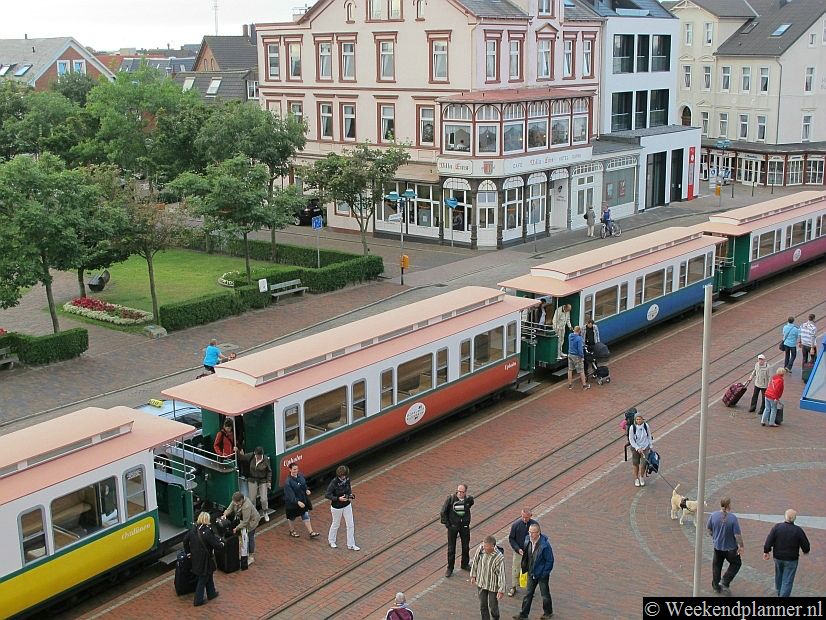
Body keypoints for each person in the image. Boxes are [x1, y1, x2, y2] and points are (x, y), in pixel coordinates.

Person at [763, 509, 811, 597]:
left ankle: (779, 591)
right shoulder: (798, 530)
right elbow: (806, 545)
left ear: (785, 516)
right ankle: (783, 595)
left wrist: (766, 551)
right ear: (795, 519)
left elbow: (769, 540)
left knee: (779, 575)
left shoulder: (777, 527)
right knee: (788, 579)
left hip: (778, 557)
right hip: (791, 559)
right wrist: (805, 551)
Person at [514, 523, 554, 620]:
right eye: (529, 532)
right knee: (528, 594)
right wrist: (525, 566)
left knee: (544, 594)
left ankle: (548, 613)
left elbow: (550, 560)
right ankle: (523, 614)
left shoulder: (545, 545)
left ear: (538, 533)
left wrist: (544, 573)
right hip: (531, 572)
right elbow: (527, 555)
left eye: (533, 532)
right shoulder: (528, 540)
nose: (530, 534)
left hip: (541, 574)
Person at [183, 511, 224, 607]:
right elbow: (215, 544)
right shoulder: (207, 532)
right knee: (203, 578)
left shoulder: (193, 530)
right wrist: (222, 544)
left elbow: (185, 541)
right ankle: (198, 600)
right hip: (205, 559)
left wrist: (188, 553)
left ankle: (211, 593)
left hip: (195, 558)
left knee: (208, 574)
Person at [707, 496, 744, 595]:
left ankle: (716, 586)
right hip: (731, 548)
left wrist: (714, 537)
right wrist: (741, 546)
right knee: (736, 563)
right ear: (729, 505)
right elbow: (737, 535)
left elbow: (709, 529)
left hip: (718, 546)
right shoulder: (732, 519)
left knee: (716, 566)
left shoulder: (713, 515)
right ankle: (725, 580)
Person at [440, 483, 475, 577]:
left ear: (465, 492)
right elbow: (443, 512)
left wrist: (466, 521)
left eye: (462, 492)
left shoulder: (469, 500)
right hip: (453, 527)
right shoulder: (451, 499)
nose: (459, 493)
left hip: (464, 526)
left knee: (466, 546)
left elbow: (469, 505)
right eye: (458, 491)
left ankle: (465, 564)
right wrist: (448, 524)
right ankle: (450, 568)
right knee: (451, 548)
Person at [471, 535, 506, 620]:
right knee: (483, 604)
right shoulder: (481, 549)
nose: (484, 549)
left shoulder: (499, 557)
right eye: (484, 546)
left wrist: (501, 590)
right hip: (481, 582)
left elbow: (501, 574)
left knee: (493, 605)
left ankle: (495, 617)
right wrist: (473, 575)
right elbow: (475, 561)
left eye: (486, 547)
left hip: (492, 585)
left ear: (493, 547)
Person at [223, 491, 260, 567]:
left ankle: (251, 556)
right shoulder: (235, 500)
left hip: (251, 522)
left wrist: (236, 528)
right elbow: (230, 508)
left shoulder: (247, 505)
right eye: (235, 502)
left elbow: (245, 522)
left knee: (250, 537)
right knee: (243, 538)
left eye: (237, 503)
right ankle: (244, 553)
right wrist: (225, 514)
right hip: (243, 521)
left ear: (242, 500)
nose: (235, 504)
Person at [326, 464, 359, 550]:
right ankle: (331, 540)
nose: (344, 477)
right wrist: (338, 498)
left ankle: (351, 544)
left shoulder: (347, 479)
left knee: (350, 524)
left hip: (347, 504)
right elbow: (327, 495)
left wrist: (350, 495)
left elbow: (349, 489)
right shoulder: (334, 482)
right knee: (336, 524)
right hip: (337, 507)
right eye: (342, 476)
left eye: (345, 475)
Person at [284, 462, 319, 538]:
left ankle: (311, 532)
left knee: (305, 515)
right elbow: (290, 496)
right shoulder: (288, 482)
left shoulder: (300, 476)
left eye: (297, 469)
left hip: (302, 501)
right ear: (290, 470)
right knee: (292, 517)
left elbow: (304, 485)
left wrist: (306, 490)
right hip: (292, 504)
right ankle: (292, 531)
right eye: (294, 469)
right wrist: (298, 502)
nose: (296, 471)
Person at [507, 508, 537, 597]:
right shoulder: (516, 525)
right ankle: (513, 587)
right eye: (523, 517)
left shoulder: (534, 525)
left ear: (530, 516)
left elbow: (538, 538)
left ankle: (530, 588)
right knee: (515, 569)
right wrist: (517, 549)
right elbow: (511, 538)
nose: (524, 519)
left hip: (530, 552)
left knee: (530, 570)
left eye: (526, 517)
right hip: (519, 552)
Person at [238, 447, 271, 522]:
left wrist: (269, 481)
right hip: (252, 479)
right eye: (256, 455)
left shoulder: (265, 459)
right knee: (252, 499)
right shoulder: (251, 456)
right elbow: (242, 457)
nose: (257, 457)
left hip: (262, 480)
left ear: (261, 455)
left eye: (258, 455)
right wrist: (237, 451)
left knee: (264, 499)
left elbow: (269, 471)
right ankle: (254, 514)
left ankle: (265, 512)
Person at [628, 413, 653, 487]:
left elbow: (649, 436)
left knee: (644, 464)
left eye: (640, 419)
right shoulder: (632, 428)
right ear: (635, 420)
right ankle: (636, 478)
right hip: (635, 448)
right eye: (637, 419)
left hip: (645, 447)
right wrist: (637, 448)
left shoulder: (646, 426)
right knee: (635, 464)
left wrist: (650, 445)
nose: (638, 421)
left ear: (642, 419)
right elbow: (631, 439)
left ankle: (641, 477)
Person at [567, 326, 590, 390]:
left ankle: (570, 385)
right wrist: (582, 357)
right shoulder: (579, 339)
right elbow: (580, 349)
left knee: (570, 370)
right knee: (581, 371)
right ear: (579, 331)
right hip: (577, 356)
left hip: (570, 354)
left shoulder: (570, 336)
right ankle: (584, 385)